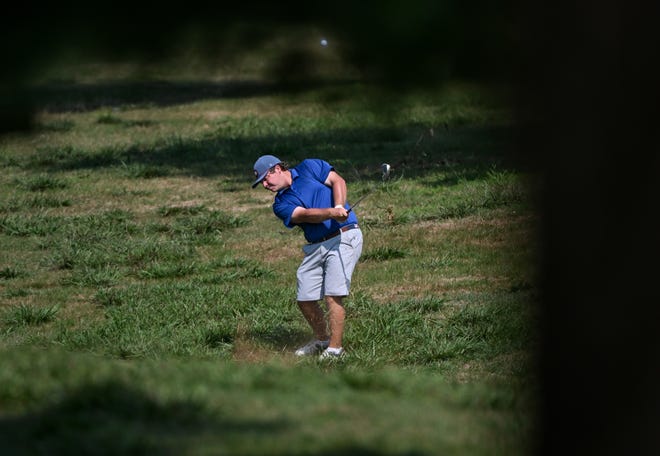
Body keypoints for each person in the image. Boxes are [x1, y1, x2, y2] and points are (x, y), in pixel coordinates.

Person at [251, 154, 363, 359]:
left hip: (344, 236)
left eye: (266, 179)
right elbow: (305, 215)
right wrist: (330, 212)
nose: (265, 185)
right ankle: (322, 339)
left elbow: (338, 181)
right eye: (262, 183)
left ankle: (336, 350)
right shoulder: (280, 204)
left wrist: (339, 206)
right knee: (304, 298)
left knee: (332, 294)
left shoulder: (310, 167)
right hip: (316, 246)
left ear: (277, 168)